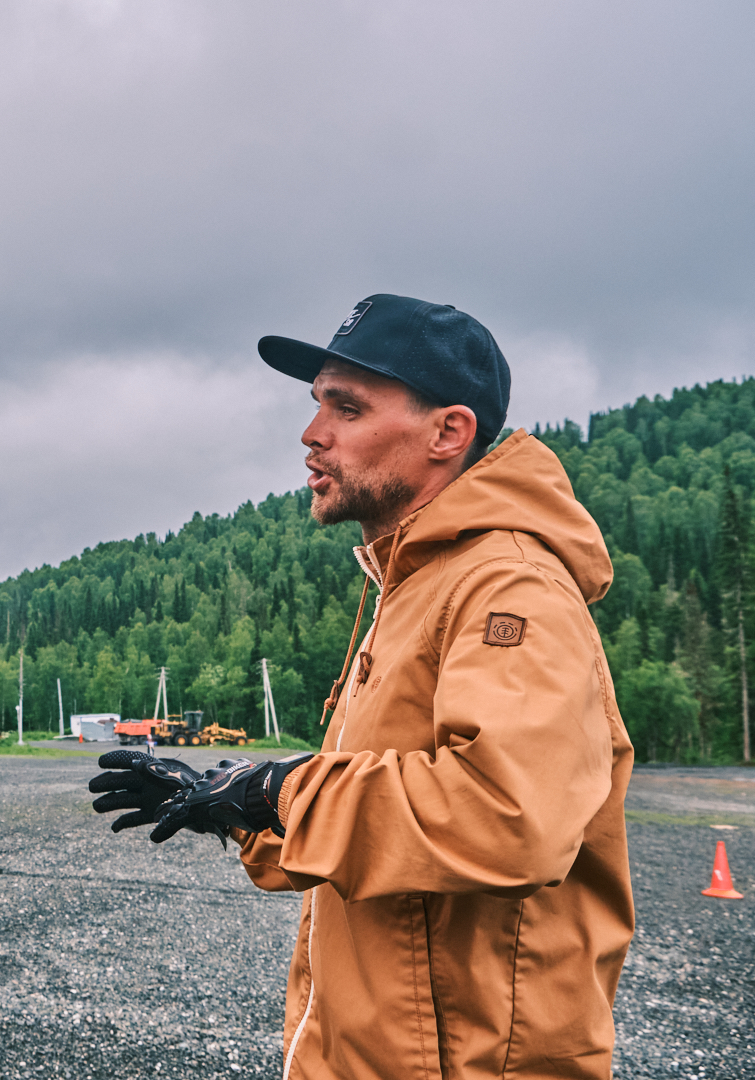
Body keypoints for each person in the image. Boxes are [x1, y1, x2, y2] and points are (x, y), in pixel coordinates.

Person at [91, 294, 633, 1080]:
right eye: (317, 405)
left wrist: (277, 791)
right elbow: (387, 834)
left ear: (448, 432)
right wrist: (231, 808)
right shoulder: (411, 588)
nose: (312, 434)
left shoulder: (508, 589)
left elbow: (509, 818)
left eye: (347, 408)